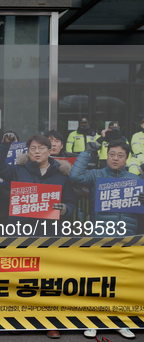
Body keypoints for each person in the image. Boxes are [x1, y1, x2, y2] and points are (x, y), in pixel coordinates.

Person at [0, 134, 75, 339]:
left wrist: (64, 208)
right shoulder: (18, 170)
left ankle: (50, 321)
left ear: (50, 150)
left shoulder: (61, 174)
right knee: (19, 276)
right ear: (27, 152)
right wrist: (4, 144)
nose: (36, 151)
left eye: (41, 148)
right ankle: (18, 319)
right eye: (32, 148)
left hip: (48, 233)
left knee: (48, 279)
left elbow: (71, 203)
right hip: (21, 231)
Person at [69, 140, 137, 339]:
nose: (115, 158)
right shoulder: (96, 175)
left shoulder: (135, 179)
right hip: (100, 235)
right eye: (112, 154)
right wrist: (87, 152)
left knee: (121, 283)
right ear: (106, 156)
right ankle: (92, 322)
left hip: (126, 237)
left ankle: (120, 322)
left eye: (120, 155)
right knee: (98, 281)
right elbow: (75, 176)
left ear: (127, 158)